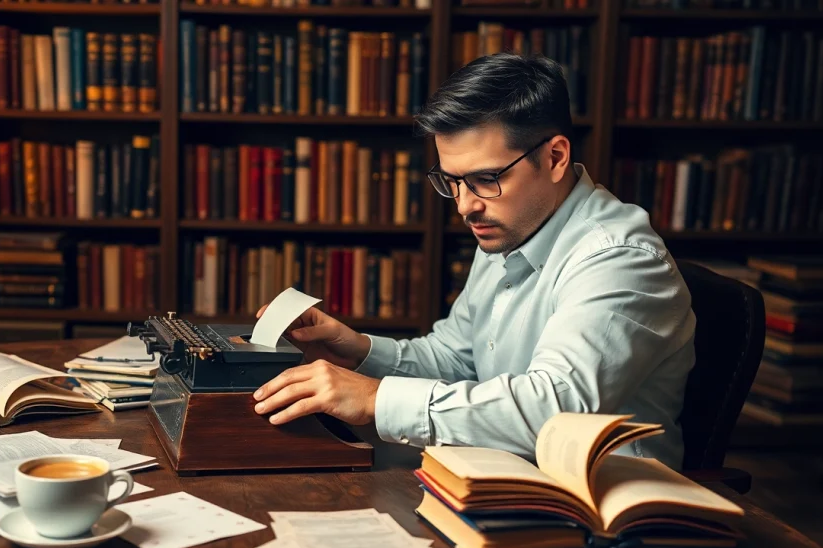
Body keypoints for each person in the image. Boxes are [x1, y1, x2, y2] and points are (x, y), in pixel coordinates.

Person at [251, 53, 696, 469]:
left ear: (556, 157)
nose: (464, 206)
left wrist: (377, 398)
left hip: (604, 512)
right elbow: (457, 358)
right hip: (504, 478)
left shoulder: (619, 258)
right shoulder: (513, 223)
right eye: (452, 182)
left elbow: (556, 408)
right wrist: (360, 353)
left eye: (485, 178)